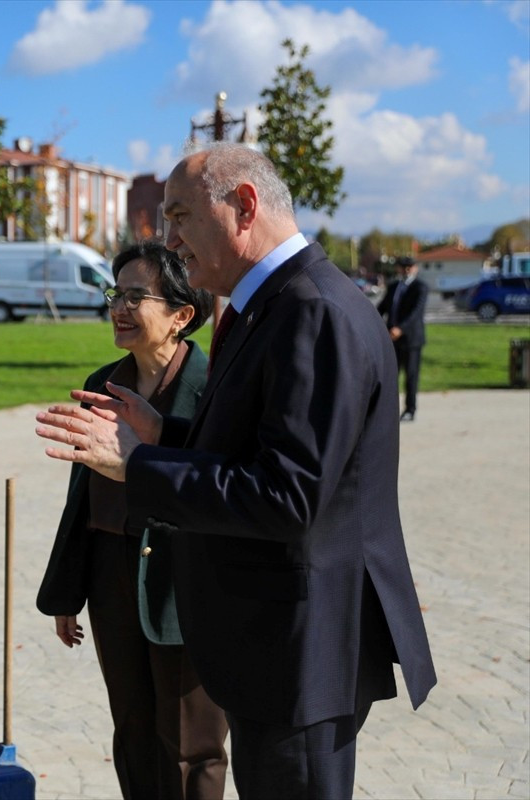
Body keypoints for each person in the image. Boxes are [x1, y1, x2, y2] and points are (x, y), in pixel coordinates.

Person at [34, 143, 436, 799]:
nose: (171, 240)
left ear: (244, 206)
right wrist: (166, 435)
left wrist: (139, 465)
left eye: (180, 217)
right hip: (277, 649)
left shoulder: (312, 311)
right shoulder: (275, 305)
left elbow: (287, 496)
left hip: (299, 653)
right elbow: (264, 452)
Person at [36, 240, 227, 799]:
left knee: (191, 743)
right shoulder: (101, 385)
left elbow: (224, 487)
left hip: (187, 582)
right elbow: (80, 499)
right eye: (115, 294)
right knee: (133, 730)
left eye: (135, 297)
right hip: (110, 577)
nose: (118, 308)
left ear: (181, 316)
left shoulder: (215, 388)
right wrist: (68, 591)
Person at [375, 256, 428, 421]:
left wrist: (401, 328)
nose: (406, 270)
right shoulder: (393, 287)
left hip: (411, 339)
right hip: (392, 339)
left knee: (411, 375)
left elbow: (416, 313)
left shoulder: (420, 287)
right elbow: (382, 307)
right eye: (403, 266)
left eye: (410, 266)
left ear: (415, 268)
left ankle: (410, 409)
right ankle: (387, 410)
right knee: (390, 376)